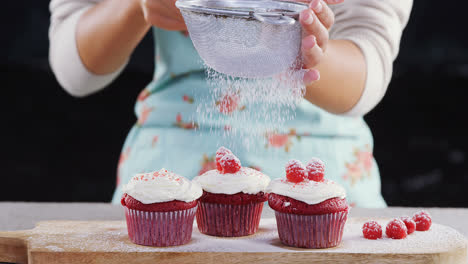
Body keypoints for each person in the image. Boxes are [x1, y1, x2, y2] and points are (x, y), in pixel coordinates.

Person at [49, 0, 413, 207]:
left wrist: (294, 47)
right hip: (167, 173)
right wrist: (135, 6)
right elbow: (74, 70)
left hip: (327, 177)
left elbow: (369, 68)